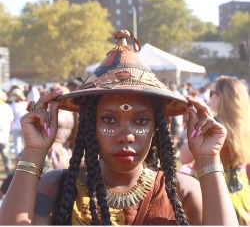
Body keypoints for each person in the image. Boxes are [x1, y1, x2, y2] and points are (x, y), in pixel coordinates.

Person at [0, 30, 238, 225]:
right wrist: (33, 151)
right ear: (89, 125)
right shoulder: (57, 187)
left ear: (160, 126)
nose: (126, 136)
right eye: (109, 120)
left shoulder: (181, 191)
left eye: (141, 121)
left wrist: (208, 159)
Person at [179, 75, 250, 225]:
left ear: (222, 98)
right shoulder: (246, 125)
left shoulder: (214, 128)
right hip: (242, 194)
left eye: (212, 94)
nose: (209, 98)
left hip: (212, 191)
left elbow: (183, 158)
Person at [0, 90, 14, 174]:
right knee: (6, 155)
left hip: (4, 135)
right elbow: (11, 120)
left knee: (6, 154)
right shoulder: (7, 107)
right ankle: (9, 173)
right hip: (5, 135)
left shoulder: (6, 106)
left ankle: (9, 172)